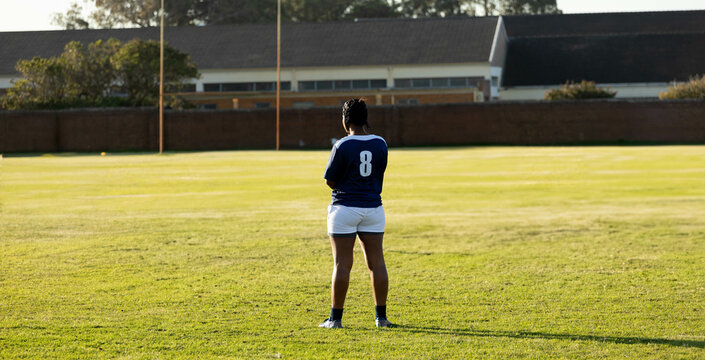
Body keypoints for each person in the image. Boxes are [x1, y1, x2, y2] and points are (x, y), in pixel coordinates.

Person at [319, 98, 391, 329]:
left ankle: (335, 319)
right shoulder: (380, 143)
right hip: (373, 208)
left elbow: (330, 180)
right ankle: (381, 318)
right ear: (365, 119)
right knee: (377, 263)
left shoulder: (342, 145)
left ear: (345, 121)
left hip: (345, 208)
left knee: (342, 264)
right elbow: (378, 173)